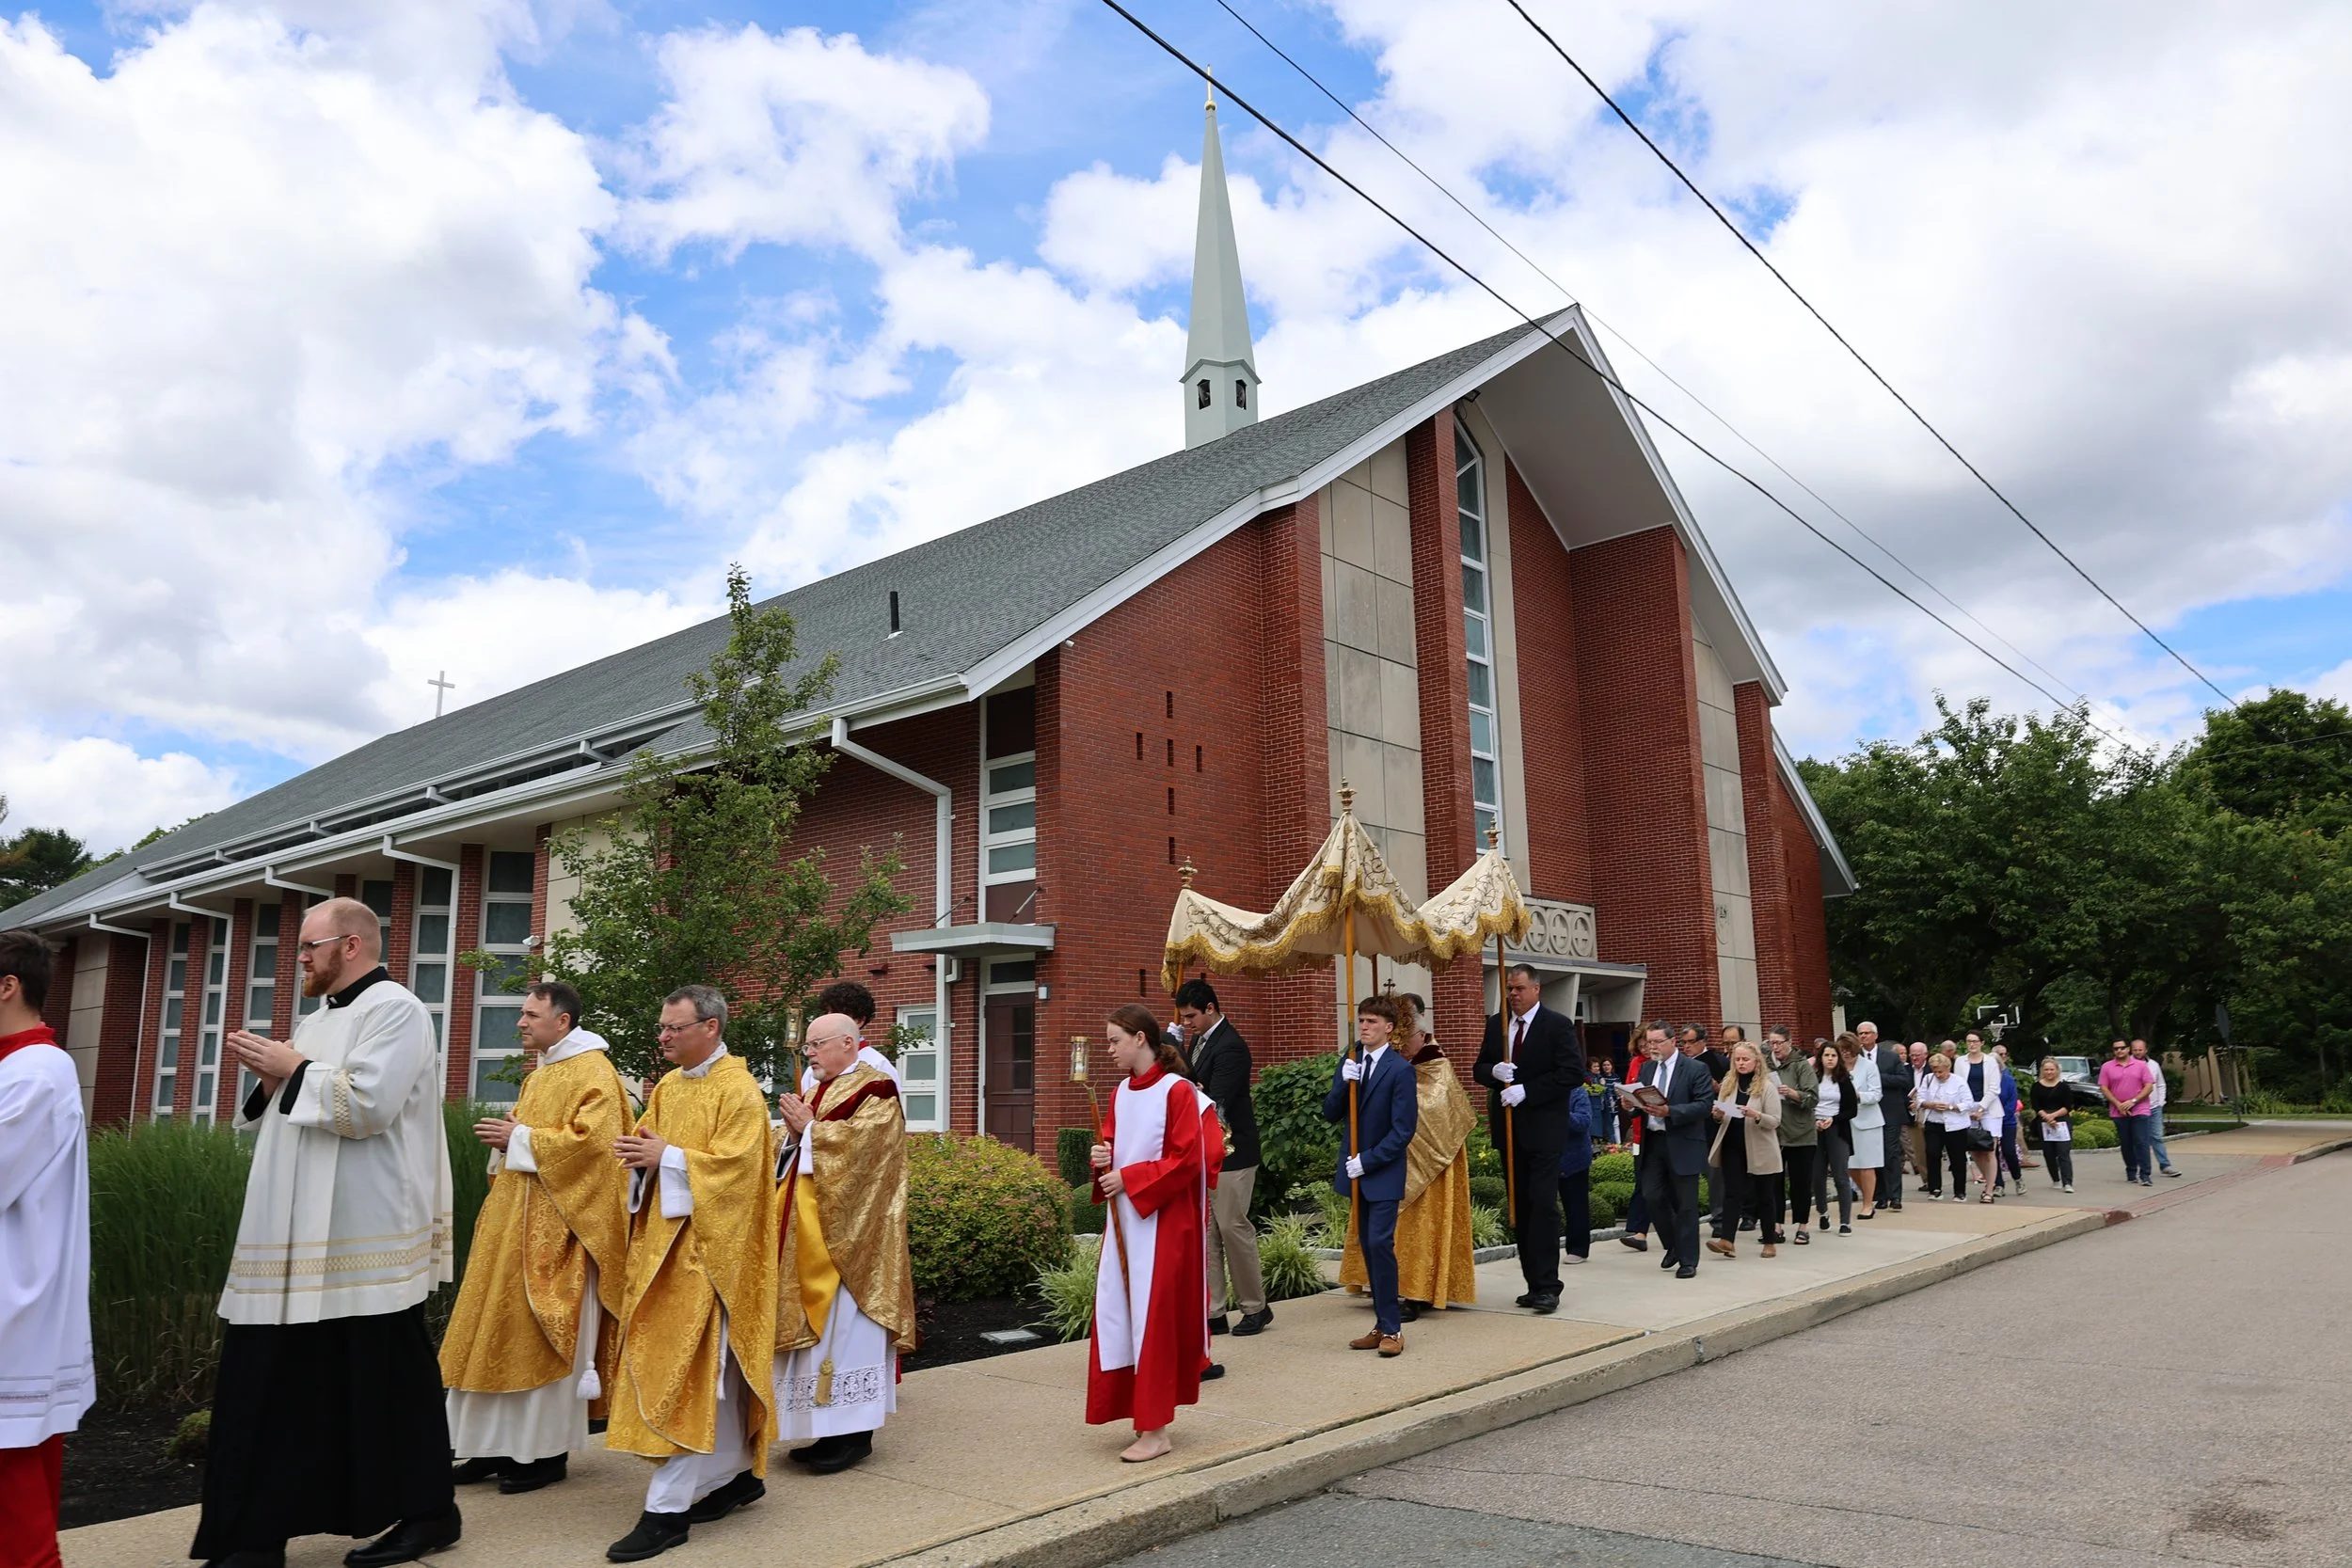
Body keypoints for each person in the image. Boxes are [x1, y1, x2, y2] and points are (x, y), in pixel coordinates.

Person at [198, 896, 458, 1568]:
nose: (300, 959)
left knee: (387, 1376)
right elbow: (287, 1103)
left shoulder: (396, 1009)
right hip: (294, 1231)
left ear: (350, 944)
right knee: (282, 1378)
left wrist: (292, 1069)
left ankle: (429, 1511)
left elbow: (367, 1105)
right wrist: (273, 1073)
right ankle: (255, 1533)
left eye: (310, 946)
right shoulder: (316, 1020)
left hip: (364, 1229)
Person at [603, 987, 778, 1562]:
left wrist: (669, 1159)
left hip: (712, 1258)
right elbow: (645, 1152)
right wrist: (636, 1159)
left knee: (685, 1372)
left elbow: (738, 1173)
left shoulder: (740, 1090)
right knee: (712, 1373)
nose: (663, 1037)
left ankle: (666, 1511)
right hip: (662, 1251)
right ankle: (734, 1475)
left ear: (710, 1026)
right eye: (662, 1027)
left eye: (674, 1028)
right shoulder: (669, 1088)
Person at [440, 982, 630, 1497]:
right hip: (512, 1226)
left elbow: (595, 1148)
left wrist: (518, 1139)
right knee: (493, 1330)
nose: (521, 1023)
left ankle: (541, 1455)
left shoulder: (593, 1072)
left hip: (559, 1234)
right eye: (522, 1014)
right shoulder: (544, 1071)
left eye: (530, 1015)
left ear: (562, 1020)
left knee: (537, 1336)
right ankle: (489, 1446)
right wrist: (514, 1135)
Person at [772, 1013, 916, 1476]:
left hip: (854, 1241)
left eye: (817, 1044)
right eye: (809, 1045)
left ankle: (854, 1436)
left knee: (848, 1336)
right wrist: (792, 1135)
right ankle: (824, 1428)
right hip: (809, 1231)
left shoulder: (876, 1089)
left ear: (848, 1044)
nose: (809, 1052)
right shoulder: (816, 1088)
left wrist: (809, 1131)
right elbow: (788, 1143)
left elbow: (867, 1151)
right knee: (822, 1338)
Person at [0, 931, 92, 1568]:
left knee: (15, 1487)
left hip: (15, 1300)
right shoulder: (19, 1066)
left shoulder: (35, 1070)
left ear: (7, 985)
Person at [1088, 1006, 1212, 1461]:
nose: (1110, 1050)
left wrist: (1130, 1179)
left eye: (1115, 1040)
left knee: (1153, 1320)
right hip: (1126, 1220)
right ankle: (1137, 1411)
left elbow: (1187, 1159)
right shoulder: (1121, 1091)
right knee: (1122, 1316)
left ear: (1140, 1039)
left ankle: (1157, 1430)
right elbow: (1114, 1142)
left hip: (1162, 1225)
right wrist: (1104, 1159)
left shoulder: (1177, 1091)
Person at [1340, 994, 1476, 1315]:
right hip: (1382, 1162)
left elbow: (1436, 1110)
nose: (1403, 1046)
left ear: (1420, 1033)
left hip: (1429, 1167)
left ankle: (1417, 1292)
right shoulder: (1379, 1061)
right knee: (1380, 1236)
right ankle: (1382, 1288)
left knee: (1420, 1228)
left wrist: (1394, 1096)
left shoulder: (1436, 1063)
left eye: (1408, 1038)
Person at [1474, 966, 1581, 1315]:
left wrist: (1528, 1091)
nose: (1513, 995)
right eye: (1509, 989)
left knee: (1542, 1205)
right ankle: (1532, 1284)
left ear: (1536, 989)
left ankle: (1549, 1286)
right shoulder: (1497, 1024)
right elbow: (1479, 1067)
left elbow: (1571, 1073)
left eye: (1519, 988)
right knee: (1520, 1208)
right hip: (1509, 1131)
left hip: (1544, 1131)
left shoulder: (1556, 1025)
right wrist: (1494, 1072)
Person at [1173, 980, 1270, 1337]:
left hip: (1234, 1153)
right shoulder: (1199, 1040)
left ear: (1210, 1008)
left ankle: (1255, 1308)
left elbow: (1211, 1100)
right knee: (1208, 1233)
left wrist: (1174, 1052)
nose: (1187, 1023)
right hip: (1207, 1151)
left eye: (1191, 1016)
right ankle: (1213, 1311)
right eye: (1183, 1018)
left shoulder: (1232, 1047)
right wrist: (1179, 1050)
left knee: (1232, 1227)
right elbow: (1192, 1079)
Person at [1327, 995, 1420, 1340]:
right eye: (1362, 1021)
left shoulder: (1400, 1070)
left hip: (1381, 1171)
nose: (1364, 1027)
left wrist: (1368, 1160)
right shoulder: (1350, 1061)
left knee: (1380, 1243)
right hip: (1355, 1171)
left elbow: (1403, 1130)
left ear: (1389, 1028)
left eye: (1372, 1022)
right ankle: (1381, 1324)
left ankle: (1393, 1330)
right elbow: (1331, 1112)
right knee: (1367, 1245)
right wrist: (1343, 1084)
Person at [1621, 1021, 1712, 1278]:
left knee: (1685, 1205)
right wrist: (1631, 1105)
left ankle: (1688, 1260)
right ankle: (1673, 1245)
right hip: (1654, 1143)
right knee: (1652, 1196)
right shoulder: (1647, 1068)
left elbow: (1704, 1105)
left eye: (1657, 1042)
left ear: (1673, 1042)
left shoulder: (1695, 1068)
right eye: (1649, 1042)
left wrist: (1670, 1111)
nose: (1652, 1047)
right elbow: (1643, 1103)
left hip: (1683, 1142)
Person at [1706, 1041, 1783, 1259]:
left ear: (1756, 1061)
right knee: (1732, 1193)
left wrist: (1756, 1115)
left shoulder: (1766, 1086)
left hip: (1759, 1147)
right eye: (1737, 1059)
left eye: (1745, 1059)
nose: (1741, 1063)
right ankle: (1727, 1241)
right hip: (1733, 1145)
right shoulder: (1729, 1082)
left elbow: (1775, 1121)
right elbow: (1719, 1114)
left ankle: (1769, 1241)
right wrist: (1718, 1115)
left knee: (1764, 1195)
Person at [1765, 1029, 1818, 1244]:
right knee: (1773, 1181)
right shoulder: (1765, 1065)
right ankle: (1775, 1226)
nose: (1775, 1048)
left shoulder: (1801, 1064)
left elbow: (1813, 1097)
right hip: (1774, 1132)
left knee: (1800, 1182)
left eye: (1778, 1043)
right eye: (1771, 1043)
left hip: (1800, 1132)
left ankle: (1802, 1226)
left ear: (1789, 1042)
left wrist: (1793, 1093)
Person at [1865, 1023, 1912, 1211]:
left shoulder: (1891, 1057)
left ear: (1875, 1035)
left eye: (1867, 1033)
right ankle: (1880, 1195)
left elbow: (1904, 1080)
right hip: (1867, 1113)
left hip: (1889, 1112)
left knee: (1890, 1152)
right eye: (1860, 1034)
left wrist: (1878, 1078)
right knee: (1874, 1154)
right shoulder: (1857, 1058)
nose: (1864, 1036)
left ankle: (1895, 1196)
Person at [1836, 1034, 1883, 1220]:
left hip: (1868, 1122)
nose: (1846, 1055)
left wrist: (1857, 1096)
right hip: (1845, 1122)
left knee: (1867, 1166)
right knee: (1850, 1166)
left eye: (1849, 1051)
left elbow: (1876, 1094)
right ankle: (1868, 1194)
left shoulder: (1869, 1066)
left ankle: (1867, 1204)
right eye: (1842, 1051)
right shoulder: (1837, 1069)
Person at [2099, 1040, 2158, 1186]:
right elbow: (2104, 1088)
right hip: (2118, 1111)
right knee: (2126, 1143)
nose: (2119, 1051)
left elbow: (2149, 1086)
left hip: (2140, 1109)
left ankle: (2145, 1174)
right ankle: (2131, 1171)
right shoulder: (2107, 1067)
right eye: (2116, 1048)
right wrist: (2118, 1104)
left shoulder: (2140, 1065)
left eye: (2122, 1048)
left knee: (2141, 1141)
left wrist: (2133, 1101)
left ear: (2128, 1049)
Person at [1916, 1053, 1975, 1199]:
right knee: (1932, 1153)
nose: (1938, 1074)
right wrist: (1930, 1104)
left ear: (1948, 1068)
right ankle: (1935, 1188)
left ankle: (1960, 1191)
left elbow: (1969, 1103)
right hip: (1934, 1122)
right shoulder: (1928, 1079)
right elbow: (1920, 1098)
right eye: (1935, 1071)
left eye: (1940, 1071)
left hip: (1955, 1125)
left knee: (1957, 1158)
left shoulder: (1959, 1081)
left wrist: (1951, 1107)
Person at [1957, 1034, 2005, 1203]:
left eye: (1975, 1041)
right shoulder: (1960, 1061)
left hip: (1989, 1109)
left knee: (1989, 1150)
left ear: (1982, 1043)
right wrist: (1967, 1108)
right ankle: (1987, 1180)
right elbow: (1959, 1086)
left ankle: (1990, 1190)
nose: (1972, 1044)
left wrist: (1981, 1108)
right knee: (1975, 1150)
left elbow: (1994, 1088)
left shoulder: (1990, 1061)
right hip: (1968, 1109)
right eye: (1969, 1041)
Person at [1813, 1042, 1855, 1234]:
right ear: (1820, 1058)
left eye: (1833, 1055)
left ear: (1838, 1059)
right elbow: (1806, 1103)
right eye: (1826, 1055)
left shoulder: (1844, 1080)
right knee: (1817, 1175)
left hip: (1837, 1129)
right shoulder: (1813, 1078)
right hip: (1815, 1129)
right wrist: (1814, 1121)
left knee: (1840, 1176)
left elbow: (1852, 1110)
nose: (1830, 1058)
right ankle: (1823, 1213)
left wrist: (1833, 1119)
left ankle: (1845, 1221)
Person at [1557, 1073, 1596, 1266]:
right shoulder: (1539, 1091)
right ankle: (1540, 1248)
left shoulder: (1577, 1091)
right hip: (1545, 1156)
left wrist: (1558, 1114)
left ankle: (1578, 1249)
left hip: (1574, 1158)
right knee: (1542, 1206)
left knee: (1576, 1206)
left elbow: (1584, 1121)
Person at [2132, 1040, 2181, 1177]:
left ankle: (2165, 1165)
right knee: (2140, 1139)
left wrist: (2161, 1101)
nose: (2138, 1052)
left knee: (2157, 1136)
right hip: (2137, 1107)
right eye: (2135, 1050)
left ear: (2146, 1050)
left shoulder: (2153, 1065)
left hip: (2154, 1107)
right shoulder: (2129, 1065)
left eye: (2140, 1050)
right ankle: (2138, 1166)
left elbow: (2160, 1084)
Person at [2031, 1057, 2076, 1193]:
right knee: (2049, 1153)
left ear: (2057, 1070)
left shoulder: (2063, 1086)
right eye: (2046, 1070)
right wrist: (2047, 1117)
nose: (2049, 1072)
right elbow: (2036, 1105)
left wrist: (2054, 1116)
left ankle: (2067, 1182)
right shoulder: (2037, 1086)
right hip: (2044, 1121)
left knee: (2063, 1152)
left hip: (2061, 1120)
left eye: (2052, 1069)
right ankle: (2055, 1178)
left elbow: (2068, 1106)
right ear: (2042, 1071)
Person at [1992, 1043, 2024, 1194]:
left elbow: (2012, 1103)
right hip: (1989, 1121)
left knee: (2008, 1151)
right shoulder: (1985, 1082)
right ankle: (1998, 1184)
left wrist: (2000, 1117)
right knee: (1992, 1153)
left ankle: (2018, 1178)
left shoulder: (2008, 1080)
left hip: (2006, 1121)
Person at [1904, 1041, 1931, 1179]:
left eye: (1918, 1055)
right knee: (1918, 1150)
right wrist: (1908, 1103)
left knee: (1933, 1149)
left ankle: (1935, 1179)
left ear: (1926, 1055)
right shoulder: (1904, 1070)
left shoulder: (1933, 1069)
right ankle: (1926, 1180)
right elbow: (1900, 1091)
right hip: (1912, 1115)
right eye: (1912, 1055)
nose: (1914, 1058)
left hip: (1931, 1114)